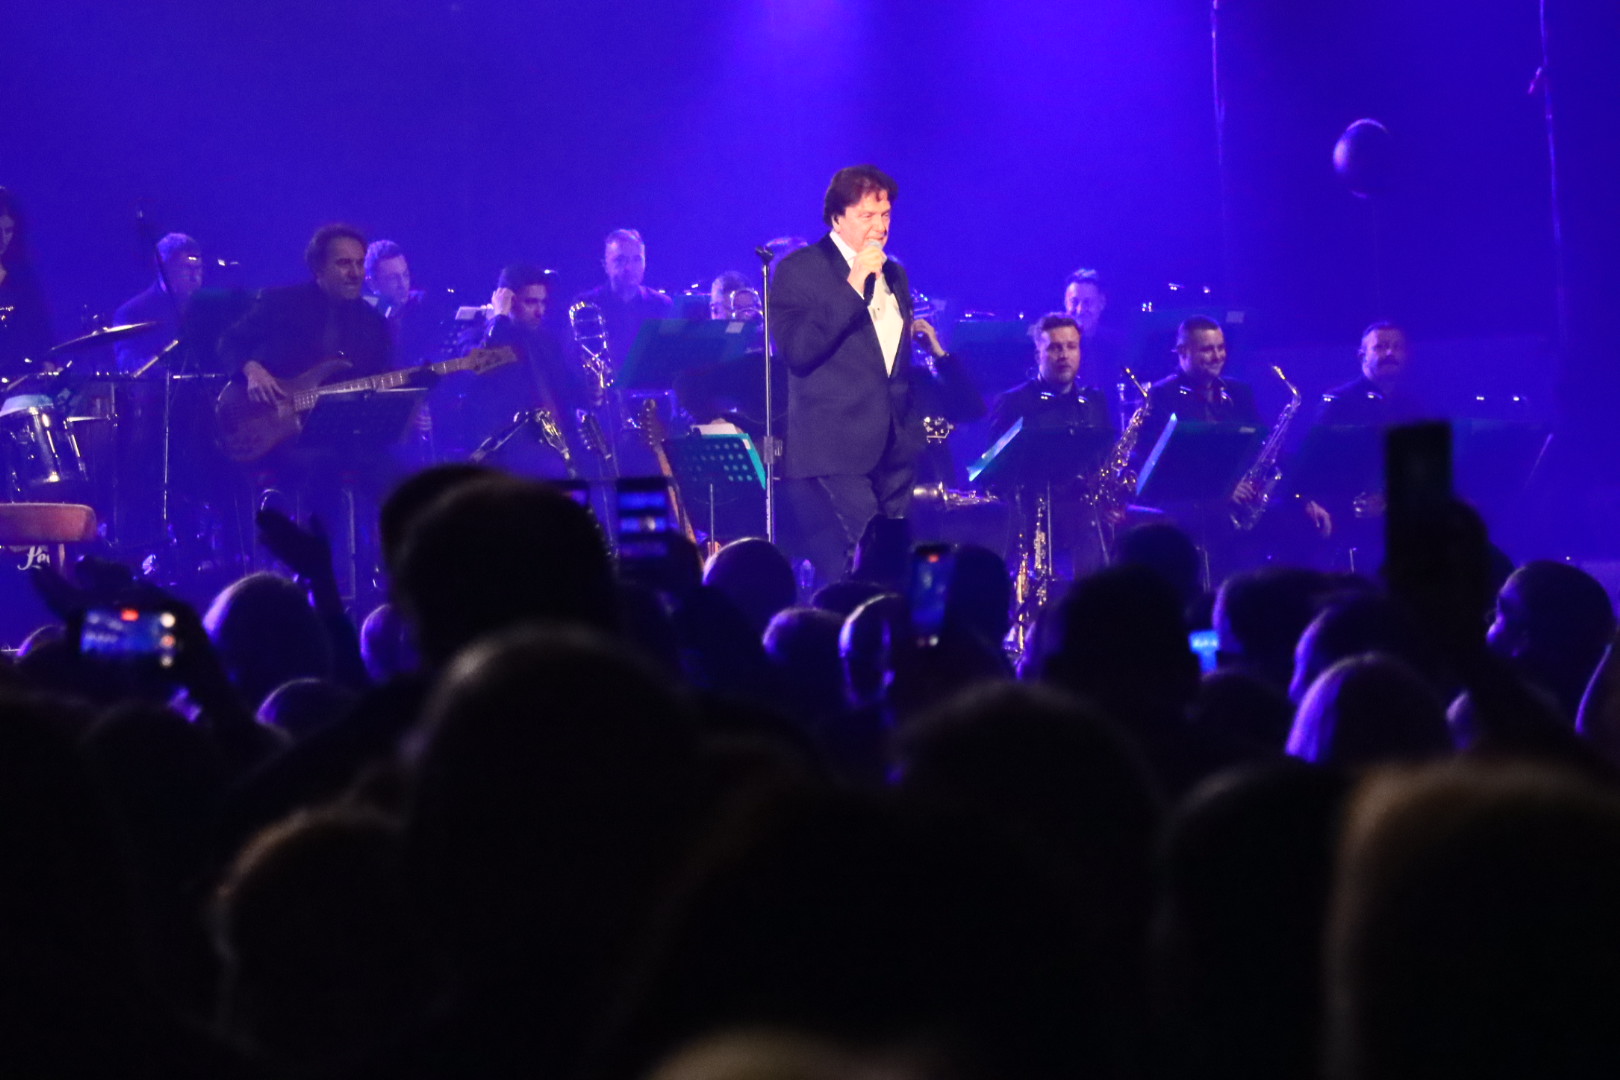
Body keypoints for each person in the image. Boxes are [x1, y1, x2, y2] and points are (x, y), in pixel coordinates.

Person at [770, 165, 926, 586]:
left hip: (894, 447)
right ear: (837, 218)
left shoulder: (895, 274)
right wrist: (853, 283)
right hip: (835, 448)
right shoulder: (799, 270)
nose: (880, 227)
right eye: (867, 216)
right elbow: (798, 350)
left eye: (886, 215)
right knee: (863, 563)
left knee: (894, 566)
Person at [986, 313, 1116, 578]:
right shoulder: (1014, 402)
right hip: (1033, 522)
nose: (1064, 355)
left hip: (1086, 523)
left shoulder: (1094, 401)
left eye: (1071, 346)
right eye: (1055, 348)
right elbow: (996, 470)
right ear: (1038, 355)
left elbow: (1104, 459)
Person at [219, 223, 393, 405]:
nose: (355, 273)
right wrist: (252, 370)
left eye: (360, 263)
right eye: (344, 263)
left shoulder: (374, 323)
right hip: (269, 416)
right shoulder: (282, 303)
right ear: (319, 268)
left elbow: (383, 380)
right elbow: (229, 342)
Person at [570, 228, 674, 371]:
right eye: (620, 260)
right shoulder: (585, 305)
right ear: (605, 265)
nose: (629, 267)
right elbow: (573, 358)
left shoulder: (662, 304)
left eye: (637, 259)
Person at [112, 232, 205, 372]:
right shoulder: (131, 312)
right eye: (186, 268)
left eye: (198, 268)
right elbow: (128, 364)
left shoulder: (207, 307)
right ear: (165, 268)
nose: (195, 276)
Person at [0, 187, 54, 387]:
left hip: (20, 389)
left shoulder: (23, 282)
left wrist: (48, 363)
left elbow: (42, 337)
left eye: (8, 231)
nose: (2, 239)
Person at [1063, 269, 1132, 424]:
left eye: (1087, 303)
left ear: (1102, 303)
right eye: (1074, 302)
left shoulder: (1118, 344)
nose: (1080, 310)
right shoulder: (1055, 346)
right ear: (1065, 303)